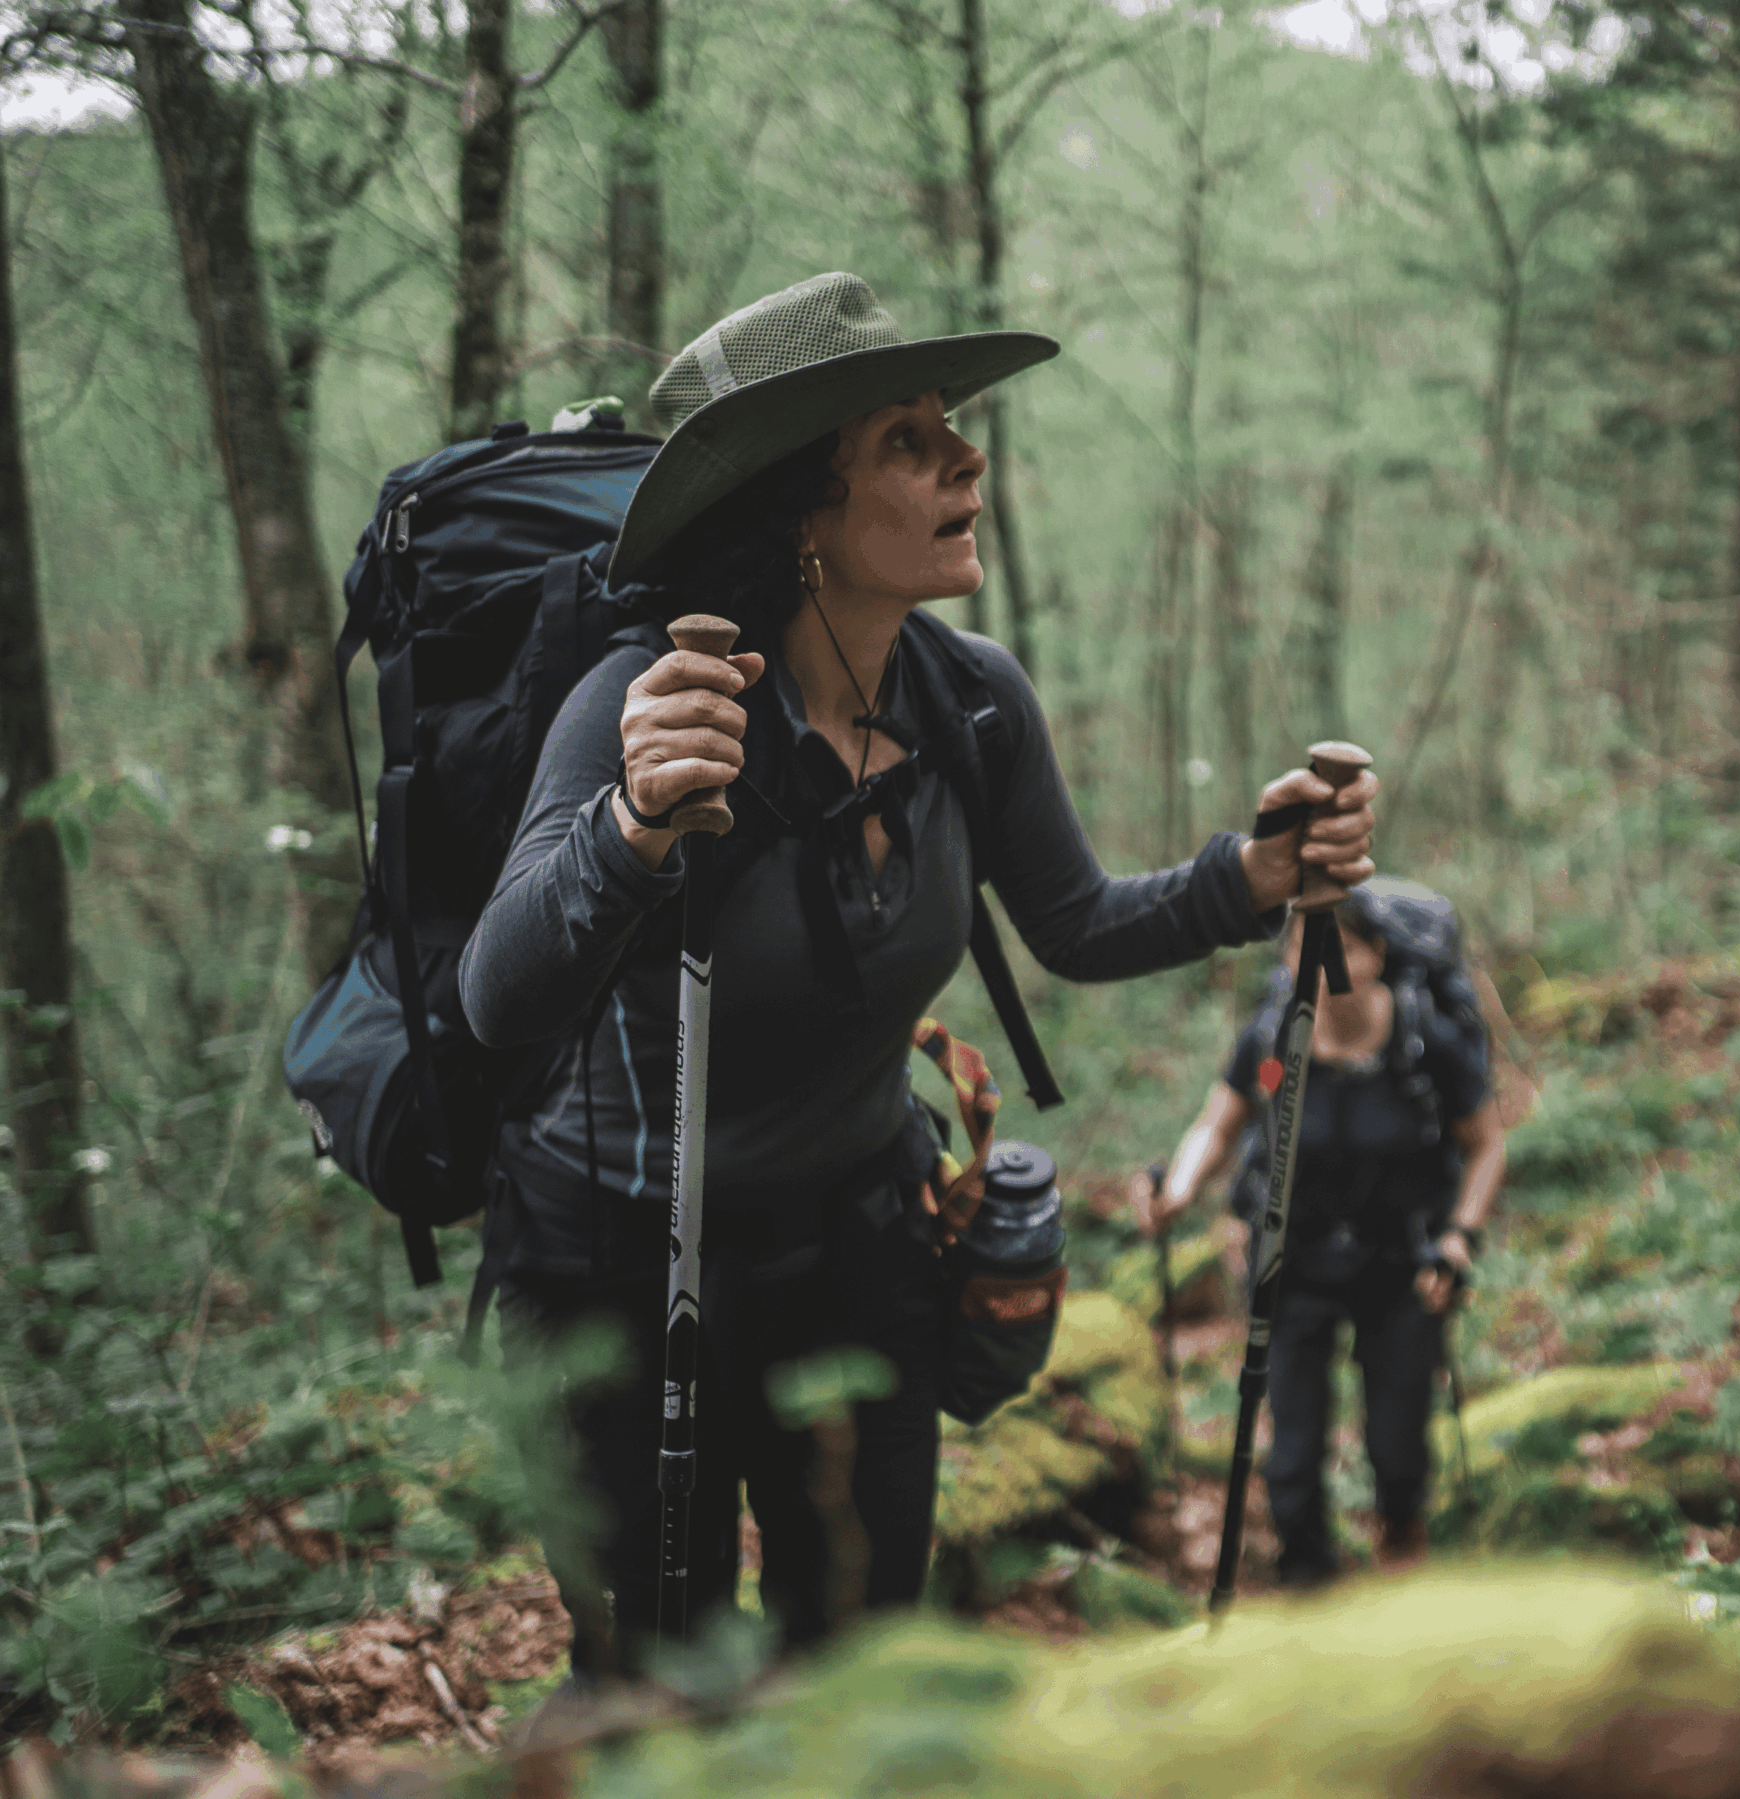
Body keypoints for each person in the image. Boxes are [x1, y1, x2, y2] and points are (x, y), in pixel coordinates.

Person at [457, 272, 1378, 1672]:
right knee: (658, 1681)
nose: (966, 458)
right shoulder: (651, 704)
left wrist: (1255, 874)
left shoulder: (970, 700)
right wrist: (631, 824)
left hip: (861, 1242)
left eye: (951, 424)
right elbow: (497, 995)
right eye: (907, 439)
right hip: (625, 1268)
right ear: (798, 510)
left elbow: (1076, 923)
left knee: (866, 1657)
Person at [1137, 883, 1503, 1586]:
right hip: (1293, 1262)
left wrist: (1460, 1237)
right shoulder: (1274, 1040)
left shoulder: (1425, 1041)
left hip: (1402, 1263)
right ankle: (1306, 1581)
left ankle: (1401, 1544)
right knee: (1292, 1452)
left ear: (1377, 955)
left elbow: (1486, 1144)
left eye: (1342, 945)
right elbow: (1220, 1122)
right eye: (1304, 946)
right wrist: (1178, 1190)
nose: (1322, 962)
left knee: (1399, 1440)